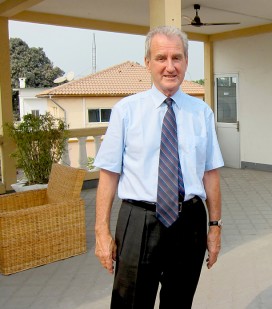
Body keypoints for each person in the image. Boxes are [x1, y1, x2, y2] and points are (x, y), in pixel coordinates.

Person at [94, 25, 224, 309]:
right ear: (148, 63)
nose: (170, 66)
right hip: (138, 221)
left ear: (186, 62)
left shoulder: (201, 112)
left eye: (177, 58)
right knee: (130, 303)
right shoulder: (126, 111)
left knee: (179, 302)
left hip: (189, 221)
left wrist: (214, 227)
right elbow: (108, 174)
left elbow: (210, 173)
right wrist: (101, 231)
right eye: (161, 58)